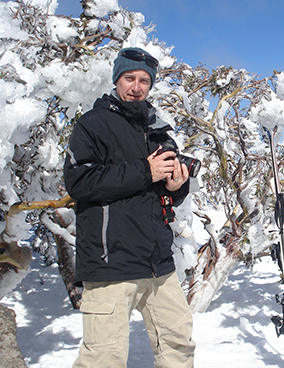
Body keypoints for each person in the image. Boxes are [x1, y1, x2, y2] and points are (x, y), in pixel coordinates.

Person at [64, 47, 196, 368]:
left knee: (179, 347)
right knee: (103, 359)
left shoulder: (158, 130)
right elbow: (79, 181)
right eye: (129, 78)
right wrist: (144, 171)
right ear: (117, 80)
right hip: (111, 264)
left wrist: (176, 186)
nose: (136, 87)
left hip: (158, 264)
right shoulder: (92, 125)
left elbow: (163, 194)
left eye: (144, 81)